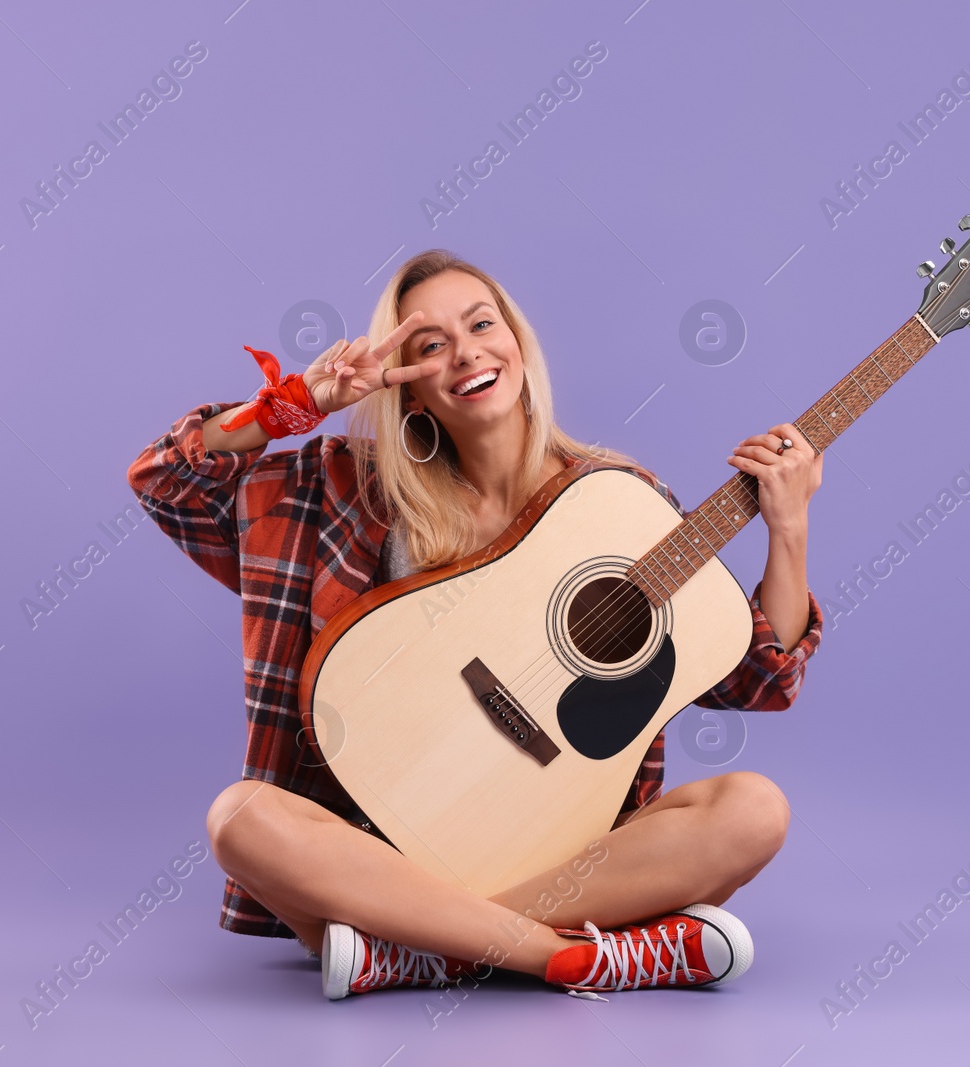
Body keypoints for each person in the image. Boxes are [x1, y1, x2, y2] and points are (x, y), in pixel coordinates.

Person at [126, 249, 824, 1001]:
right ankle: (571, 958)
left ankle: (419, 948)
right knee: (241, 818)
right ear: (411, 389)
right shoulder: (349, 487)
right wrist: (296, 403)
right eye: (430, 345)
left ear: (519, 345)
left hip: (556, 851)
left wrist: (789, 530)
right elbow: (166, 479)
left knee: (754, 809)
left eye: (483, 324)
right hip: (376, 853)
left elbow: (756, 677)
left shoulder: (616, 500)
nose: (467, 352)